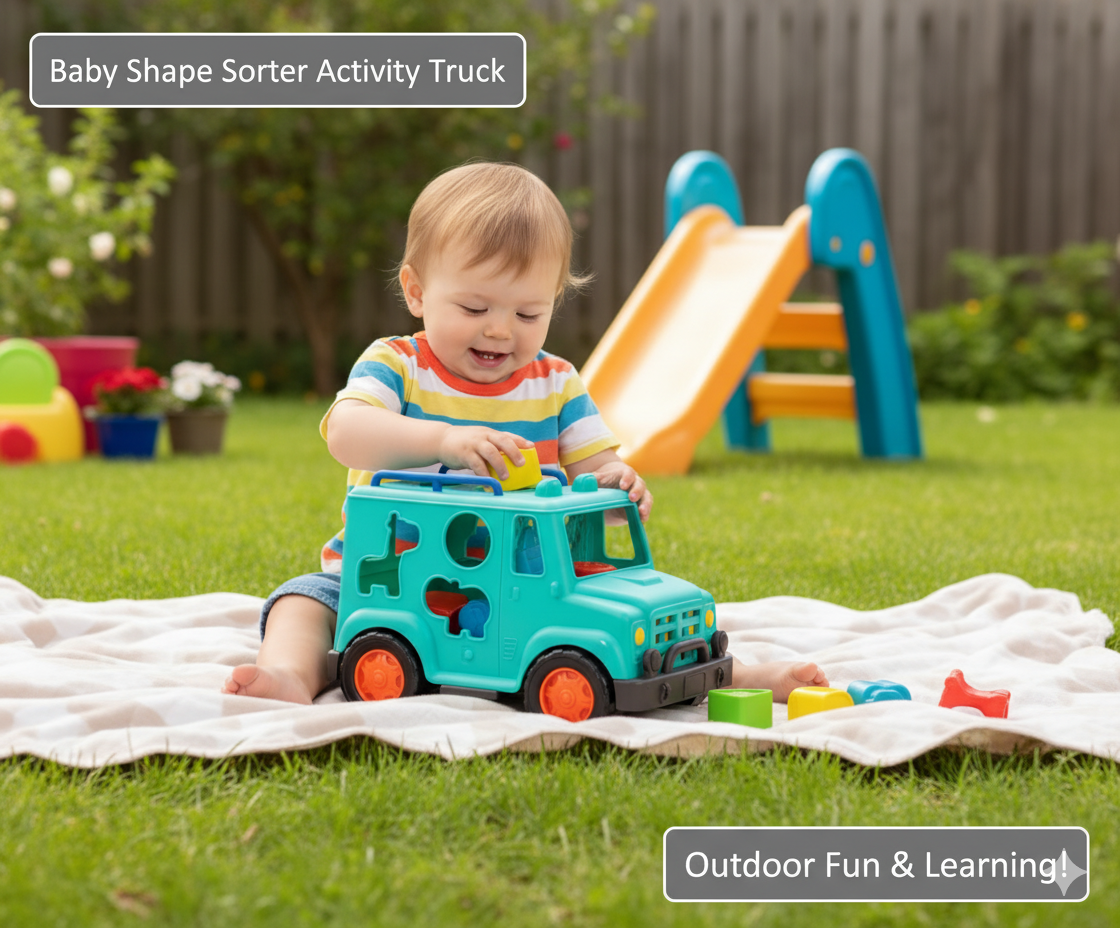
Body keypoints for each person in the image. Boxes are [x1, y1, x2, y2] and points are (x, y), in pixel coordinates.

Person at [222, 162, 827, 705]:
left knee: (641, 612)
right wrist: (442, 443)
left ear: (553, 305)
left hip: (538, 577)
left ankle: (727, 672)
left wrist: (618, 487)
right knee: (304, 602)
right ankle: (292, 677)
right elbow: (347, 435)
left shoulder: (557, 384)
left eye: (528, 314)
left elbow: (598, 474)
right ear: (416, 291)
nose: (500, 332)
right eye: (475, 308)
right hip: (389, 572)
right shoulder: (396, 363)